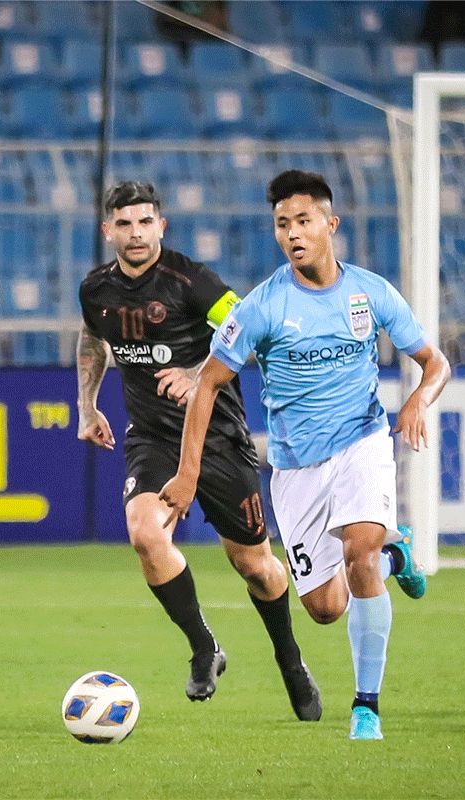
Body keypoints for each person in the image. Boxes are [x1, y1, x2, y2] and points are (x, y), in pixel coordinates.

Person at [160, 169, 448, 740]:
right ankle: (399, 558)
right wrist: (186, 475)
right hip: (295, 468)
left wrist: (417, 400)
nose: (293, 233)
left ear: (330, 225)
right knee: (323, 607)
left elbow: (435, 363)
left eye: (303, 221)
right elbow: (208, 384)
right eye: (282, 224)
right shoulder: (264, 306)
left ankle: (366, 707)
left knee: (360, 552)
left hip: (363, 441)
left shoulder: (371, 292)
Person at [76, 180, 322, 720]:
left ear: (161, 226)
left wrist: (196, 372)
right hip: (153, 439)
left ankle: (289, 659)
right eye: (124, 224)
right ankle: (204, 648)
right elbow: (94, 339)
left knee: (255, 566)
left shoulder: (193, 281)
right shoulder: (96, 289)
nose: (136, 234)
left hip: (219, 438)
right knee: (145, 534)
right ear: (108, 231)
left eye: (145, 222)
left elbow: (256, 335)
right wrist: (87, 404)